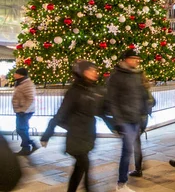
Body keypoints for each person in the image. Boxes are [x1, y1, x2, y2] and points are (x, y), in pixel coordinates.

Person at [40, 61, 102, 192]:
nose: (95, 72)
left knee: (81, 166)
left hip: (87, 133)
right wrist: (47, 134)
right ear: (83, 72)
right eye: (91, 70)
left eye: (95, 70)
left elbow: (100, 110)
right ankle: (88, 189)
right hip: (76, 135)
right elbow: (60, 114)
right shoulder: (74, 91)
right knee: (83, 163)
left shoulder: (92, 89)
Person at [107, 50, 148, 191]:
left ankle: (126, 179)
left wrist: (145, 112)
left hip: (136, 118)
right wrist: (118, 120)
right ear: (125, 60)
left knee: (134, 148)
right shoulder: (116, 77)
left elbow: (142, 96)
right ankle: (121, 183)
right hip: (125, 119)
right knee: (128, 150)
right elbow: (112, 100)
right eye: (134, 58)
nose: (137, 61)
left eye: (138, 58)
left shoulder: (137, 75)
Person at [129, 72, 155, 178]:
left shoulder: (136, 89)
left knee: (136, 144)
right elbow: (153, 101)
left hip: (137, 119)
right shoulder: (145, 88)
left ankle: (138, 169)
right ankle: (139, 166)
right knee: (136, 142)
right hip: (144, 119)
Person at [12, 68, 38, 156]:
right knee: (23, 129)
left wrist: (24, 110)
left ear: (20, 74)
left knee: (20, 129)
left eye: (15, 73)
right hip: (21, 110)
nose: (14, 75)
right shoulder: (20, 83)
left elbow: (30, 98)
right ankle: (26, 148)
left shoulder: (27, 84)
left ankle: (31, 144)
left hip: (24, 111)